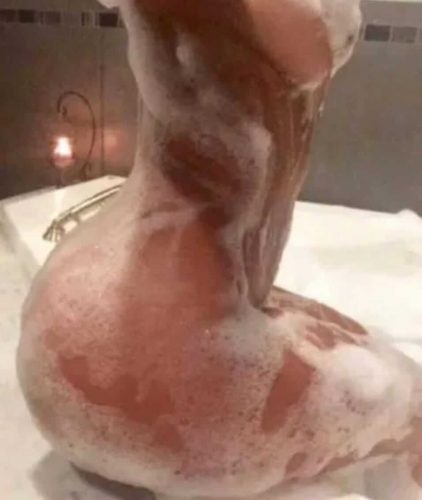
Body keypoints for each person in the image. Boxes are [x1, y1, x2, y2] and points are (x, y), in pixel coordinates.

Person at [17, 1, 422, 498]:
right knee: (413, 409)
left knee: (386, 377)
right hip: (163, 354)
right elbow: (306, 36)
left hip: (100, 313)